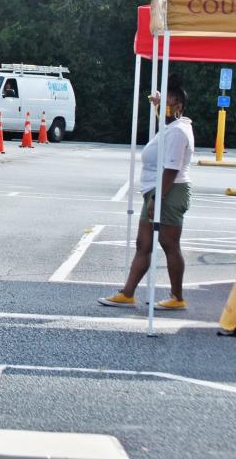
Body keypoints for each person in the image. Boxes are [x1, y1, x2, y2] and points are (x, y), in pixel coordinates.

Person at [100, 80, 193, 310]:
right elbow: (163, 117)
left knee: (169, 243)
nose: (162, 107)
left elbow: (171, 169)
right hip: (156, 190)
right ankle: (128, 293)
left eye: (168, 102)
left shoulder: (179, 131)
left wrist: (157, 199)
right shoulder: (170, 126)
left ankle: (177, 297)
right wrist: (158, 104)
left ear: (179, 105)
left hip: (168, 191)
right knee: (144, 243)